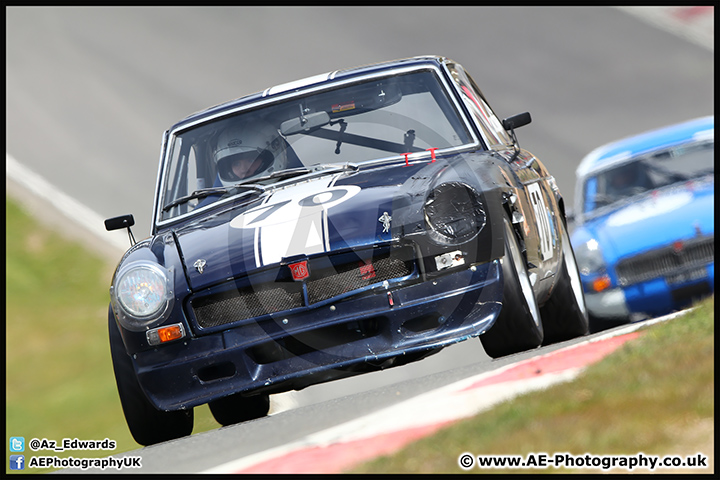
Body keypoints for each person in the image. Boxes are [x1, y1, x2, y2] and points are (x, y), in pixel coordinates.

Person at [214, 121, 288, 184]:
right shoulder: (217, 199)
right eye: (236, 164)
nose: (244, 170)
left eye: (251, 161)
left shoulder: (297, 190)